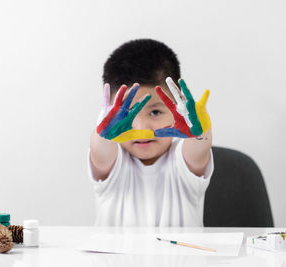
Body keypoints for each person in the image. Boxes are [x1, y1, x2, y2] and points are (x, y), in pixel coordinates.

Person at [88, 39, 213, 226]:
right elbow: (100, 151)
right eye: (127, 115)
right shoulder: (114, 165)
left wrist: (200, 132)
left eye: (155, 112)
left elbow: (199, 147)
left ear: (178, 108)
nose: (143, 129)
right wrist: (103, 133)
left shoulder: (182, 164)